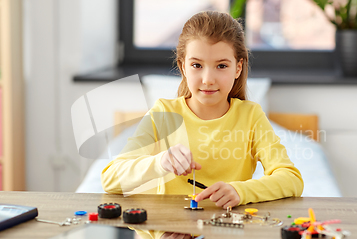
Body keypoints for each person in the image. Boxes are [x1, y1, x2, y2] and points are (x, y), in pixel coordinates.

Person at [101, 10, 303, 209]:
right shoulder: (162, 114)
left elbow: (291, 179)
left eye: (221, 66)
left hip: (231, 232)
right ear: (183, 68)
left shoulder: (251, 116)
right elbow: (110, 179)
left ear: (238, 68)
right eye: (197, 65)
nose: (208, 79)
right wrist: (160, 163)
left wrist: (242, 191)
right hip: (175, 234)